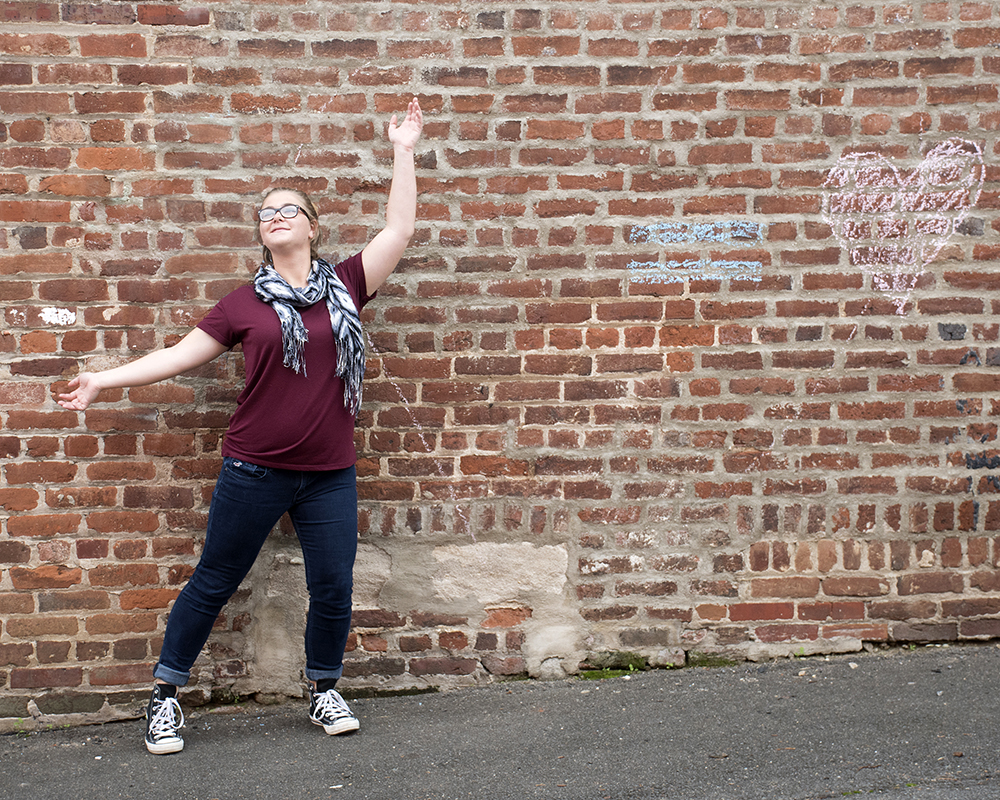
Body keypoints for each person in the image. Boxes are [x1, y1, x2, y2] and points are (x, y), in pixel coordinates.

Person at [57, 98, 424, 754]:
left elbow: (398, 229)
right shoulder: (242, 305)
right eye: (266, 213)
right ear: (263, 233)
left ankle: (324, 688)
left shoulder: (347, 283)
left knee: (334, 583)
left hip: (329, 474)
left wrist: (402, 149)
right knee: (216, 578)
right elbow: (177, 356)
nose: (276, 218)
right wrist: (104, 379)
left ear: (312, 226)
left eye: (289, 210)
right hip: (254, 469)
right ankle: (165, 697)